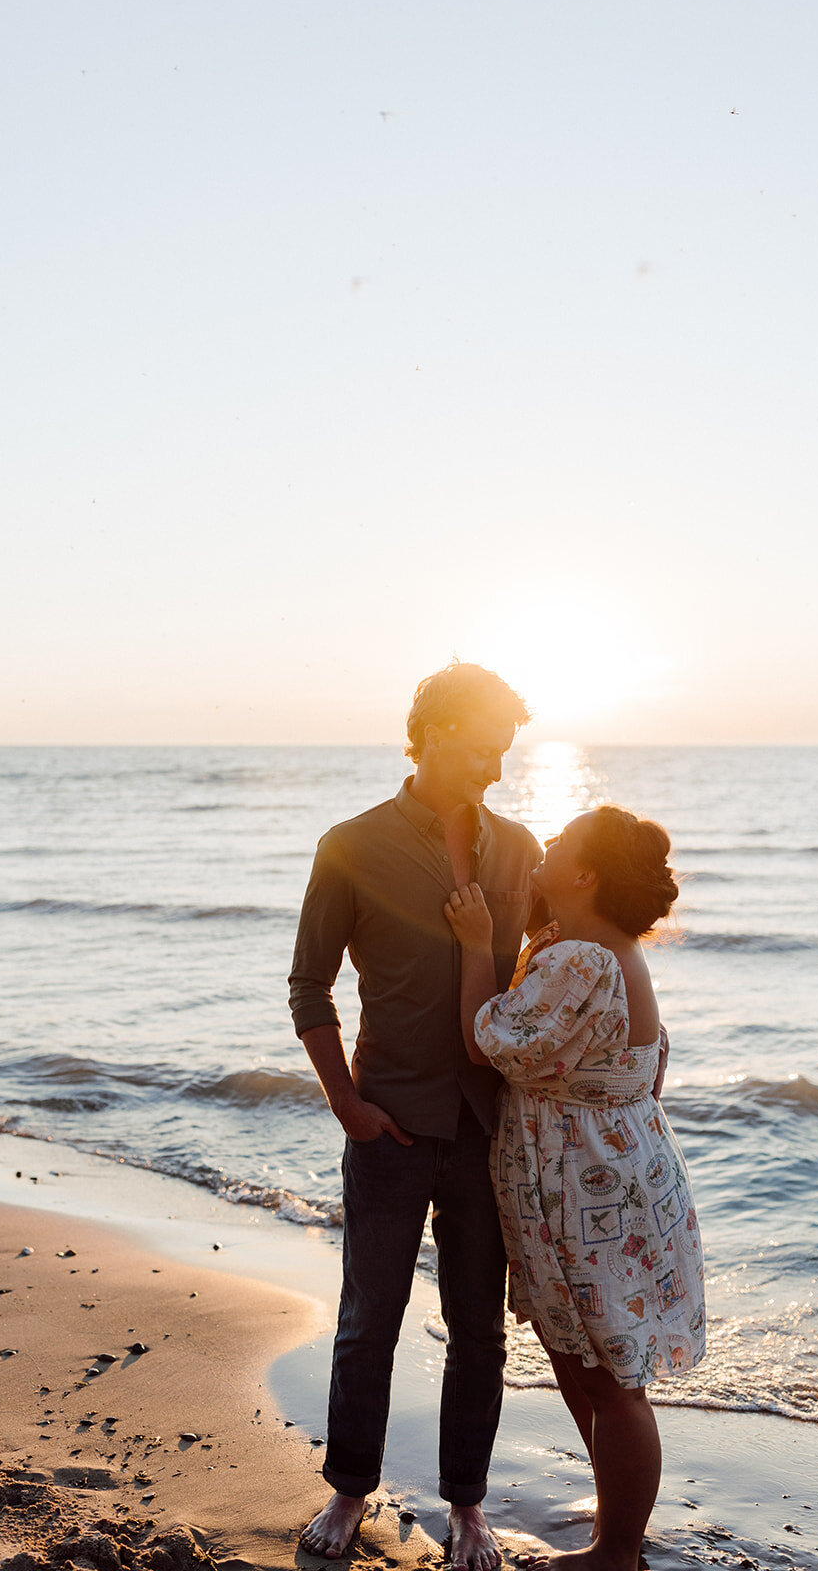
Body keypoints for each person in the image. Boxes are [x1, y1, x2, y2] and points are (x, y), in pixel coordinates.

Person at [289, 662, 544, 1568]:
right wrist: (346, 1103)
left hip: (489, 1133)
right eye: (482, 747)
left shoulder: (521, 851)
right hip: (388, 1126)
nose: (496, 766)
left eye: (505, 750)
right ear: (433, 731)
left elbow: (546, 979)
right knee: (370, 1317)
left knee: (478, 1329)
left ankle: (467, 1508)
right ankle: (349, 1489)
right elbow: (308, 985)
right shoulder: (350, 844)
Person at [444, 806, 704, 1571]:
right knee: (582, 1362)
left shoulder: (580, 961)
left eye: (557, 846)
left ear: (585, 874)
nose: (543, 847)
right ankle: (616, 1518)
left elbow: (486, 1039)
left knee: (609, 1377)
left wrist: (470, 947)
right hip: (618, 1177)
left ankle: (616, 1552)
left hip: (588, 1193)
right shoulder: (591, 947)